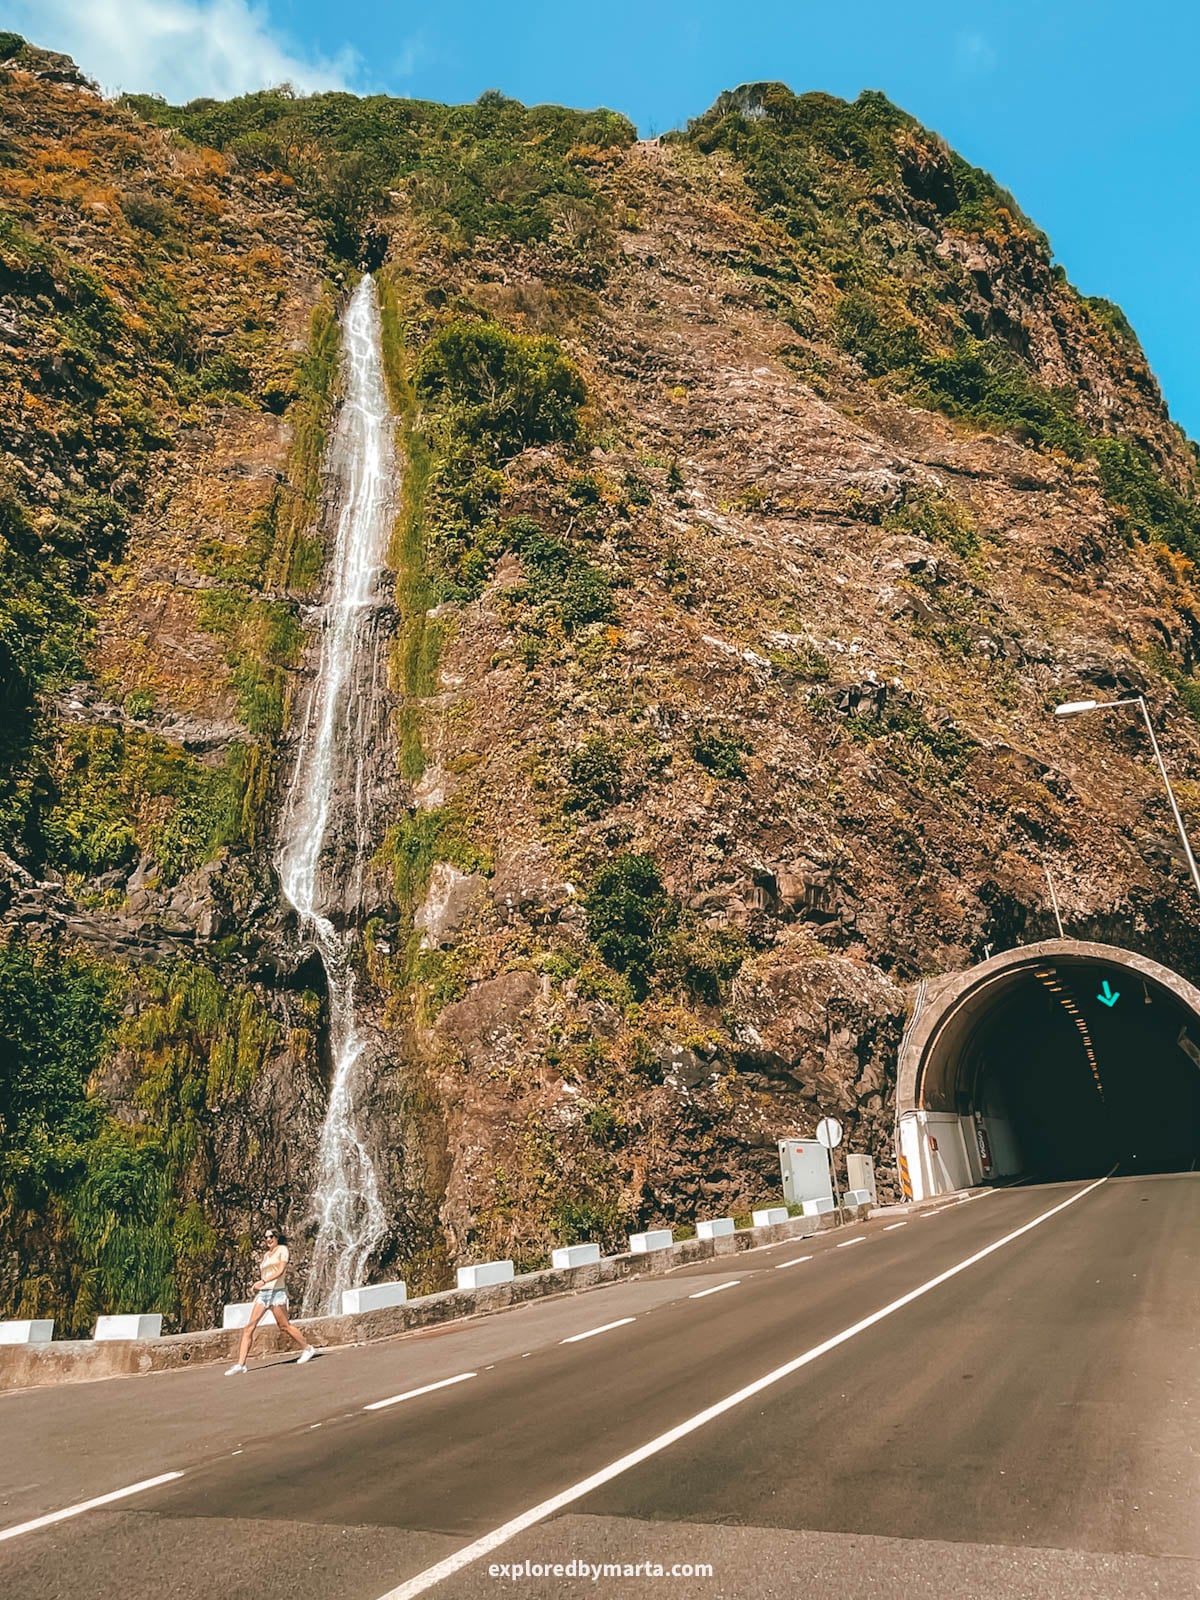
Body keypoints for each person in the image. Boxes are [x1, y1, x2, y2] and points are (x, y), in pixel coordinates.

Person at [225, 1226, 316, 1374]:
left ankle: (308, 1348)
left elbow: (280, 1271)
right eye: (265, 1237)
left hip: (277, 1293)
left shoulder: (282, 1250)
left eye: (271, 1236)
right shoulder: (267, 1255)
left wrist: (263, 1281)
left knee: (284, 1326)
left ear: (277, 1237)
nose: (268, 1239)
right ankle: (241, 1364)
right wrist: (260, 1285)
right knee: (249, 1327)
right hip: (264, 1294)